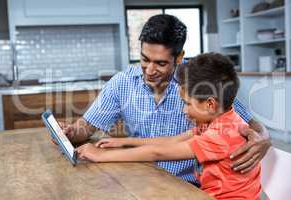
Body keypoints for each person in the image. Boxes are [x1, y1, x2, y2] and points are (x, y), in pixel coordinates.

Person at [61, 14, 270, 185]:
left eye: (160, 63)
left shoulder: (198, 81)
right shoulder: (122, 83)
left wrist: (264, 137)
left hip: (190, 185)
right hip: (138, 177)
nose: (150, 70)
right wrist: (71, 133)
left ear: (179, 58)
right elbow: (87, 127)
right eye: (144, 59)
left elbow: (249, 123)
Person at [77, 53, 262, 199]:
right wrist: (124, 142)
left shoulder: (220, 135)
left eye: (188, 103)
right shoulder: (220, 121)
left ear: (210, 104)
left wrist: (101, 156)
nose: (184, 110)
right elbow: (171, 141)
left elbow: (159, 153)